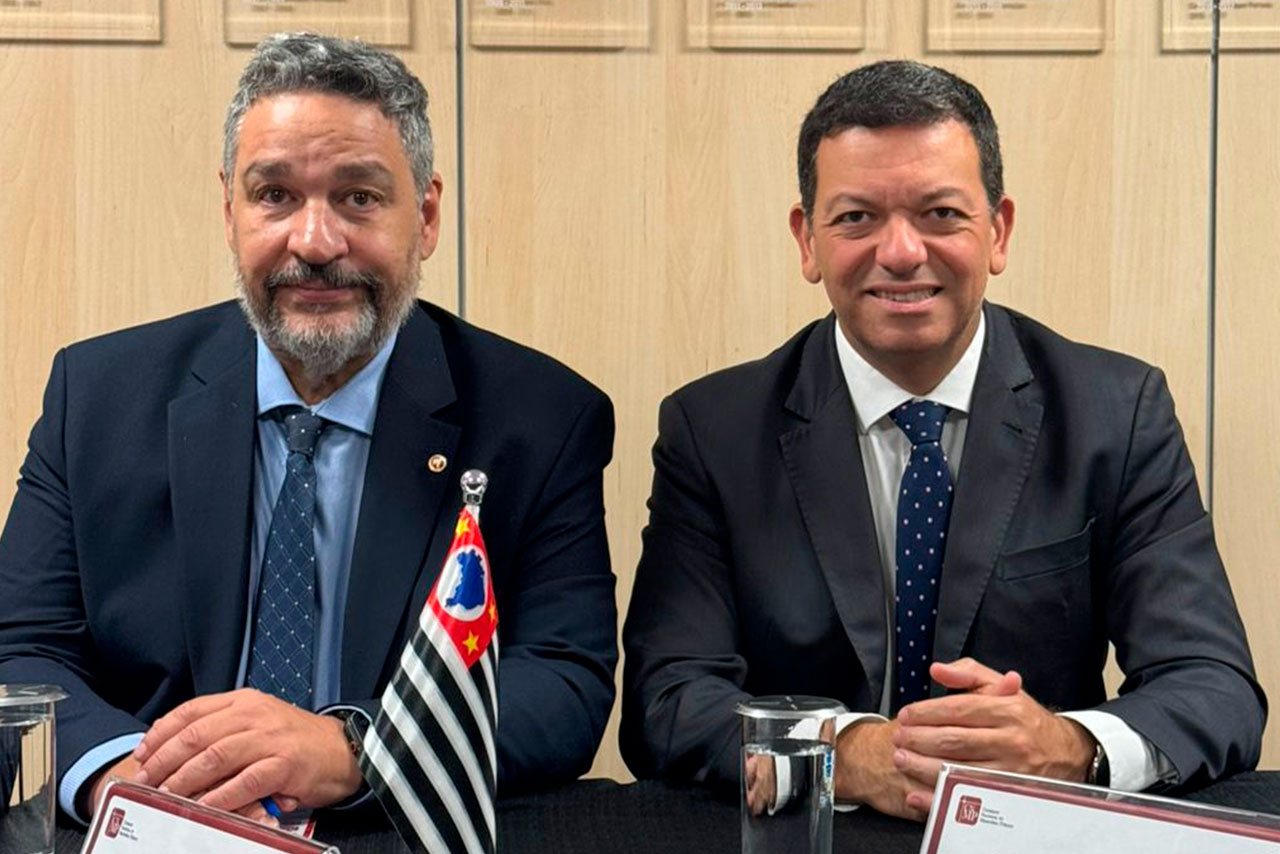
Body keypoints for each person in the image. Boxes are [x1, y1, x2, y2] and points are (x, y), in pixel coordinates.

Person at [620, 60, 1265, 820]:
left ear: (998, 231)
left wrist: (1070, 747)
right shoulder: (714, 430)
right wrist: (843, 751)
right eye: (856, 218)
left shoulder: (1115, 414)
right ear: (807, 241)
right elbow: (668, 697)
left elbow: (1212, 684)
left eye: (940, 213)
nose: (900, 251)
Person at [0, 32, 617, 824]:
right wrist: (130, 783)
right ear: (230, 211)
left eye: (359, 198)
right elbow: (20, 654)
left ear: (426, 216)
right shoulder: (97, 397)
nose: (315, 242)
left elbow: (564, 682)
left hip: (384, 829)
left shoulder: (542, 416)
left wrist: (354, 747)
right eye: (275, 195)